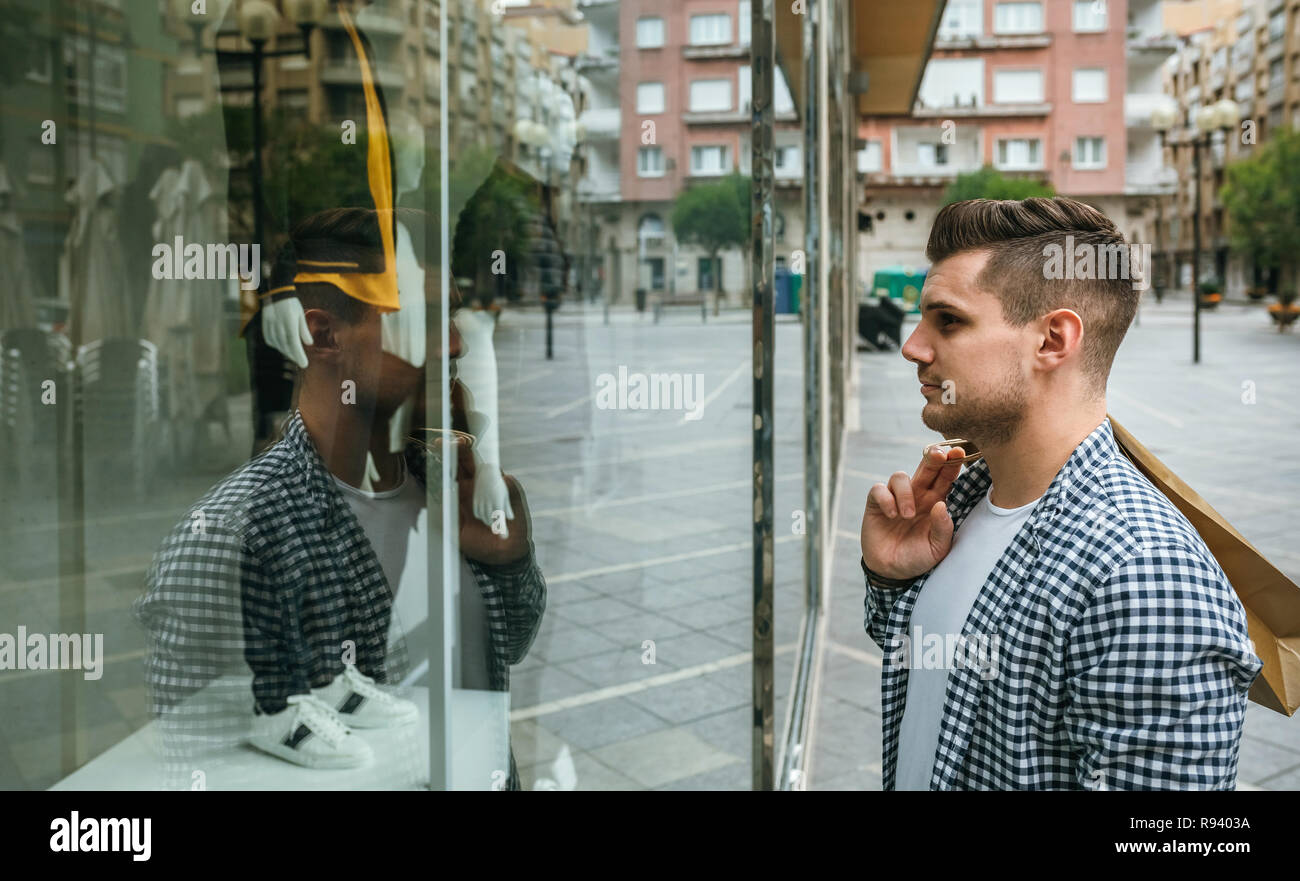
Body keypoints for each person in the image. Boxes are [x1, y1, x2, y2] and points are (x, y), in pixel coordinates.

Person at [859, 196, 1261, 791]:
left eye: (948, 320)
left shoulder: (1143, 573)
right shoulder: (961, 500)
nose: (913, 346)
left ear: (1053, 340)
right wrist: (892, 582)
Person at [136, 207, 545, 789]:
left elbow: (502, 646)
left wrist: (508, 564)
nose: (453, 342)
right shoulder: (235, 539)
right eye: (423, 316)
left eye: (450, 313)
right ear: (324, 335)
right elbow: (201, 769)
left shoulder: (443, 480)